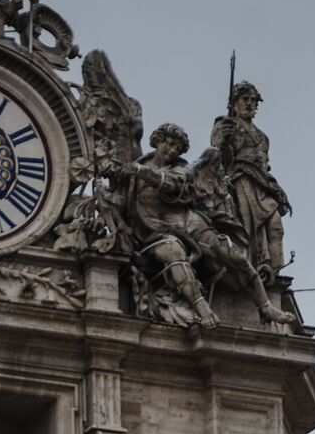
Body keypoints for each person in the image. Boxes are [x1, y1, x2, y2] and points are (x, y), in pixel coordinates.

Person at [108, 123, 295, 329]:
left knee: (234, 254)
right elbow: (118, 202)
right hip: (155, 232)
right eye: (169, 144)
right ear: (158, 140)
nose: (171, 151)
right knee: (173, 253)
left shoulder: (182, 169)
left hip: (189, 222)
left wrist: (138, 171)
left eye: (177, 148)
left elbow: (172, 183)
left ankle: (265, 305)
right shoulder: (137, 168)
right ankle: (202, 308)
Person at [209, 81, 290, 284]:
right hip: (240, 181)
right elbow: (217, 155)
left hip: (262, 185)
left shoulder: (263, 137)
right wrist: (224, 139)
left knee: (276, 227)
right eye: (245, 99)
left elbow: (265, 165)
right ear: (234, 102)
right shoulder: (225, 124)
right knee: (247, 229)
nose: (250, 104)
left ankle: (275, 273)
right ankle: (252, 270)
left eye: (254, 101)